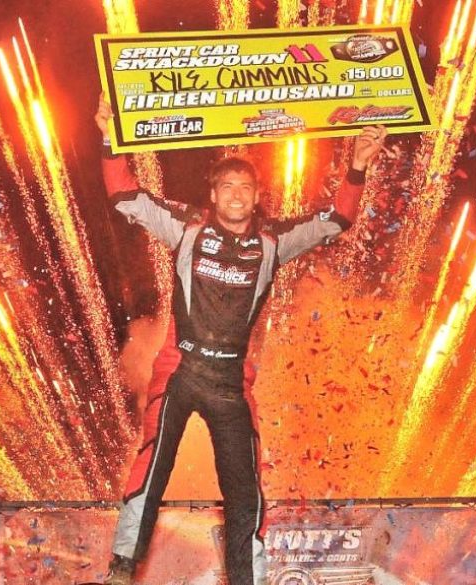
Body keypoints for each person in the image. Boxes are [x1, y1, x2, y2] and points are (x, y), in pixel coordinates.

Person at [95, 94, 386, 585]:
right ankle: (122, 569)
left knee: (245, 490)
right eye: (227, 185)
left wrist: (356, 168)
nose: (235, 194)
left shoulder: (274, 240)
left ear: (255, 197)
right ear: (213, 194)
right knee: (153, 462)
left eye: (245, 187)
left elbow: (335, 221)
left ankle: (247, 580)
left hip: (231, 382)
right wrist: (108, 136)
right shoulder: (187, 226)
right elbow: (125, 195)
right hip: (180, 370)